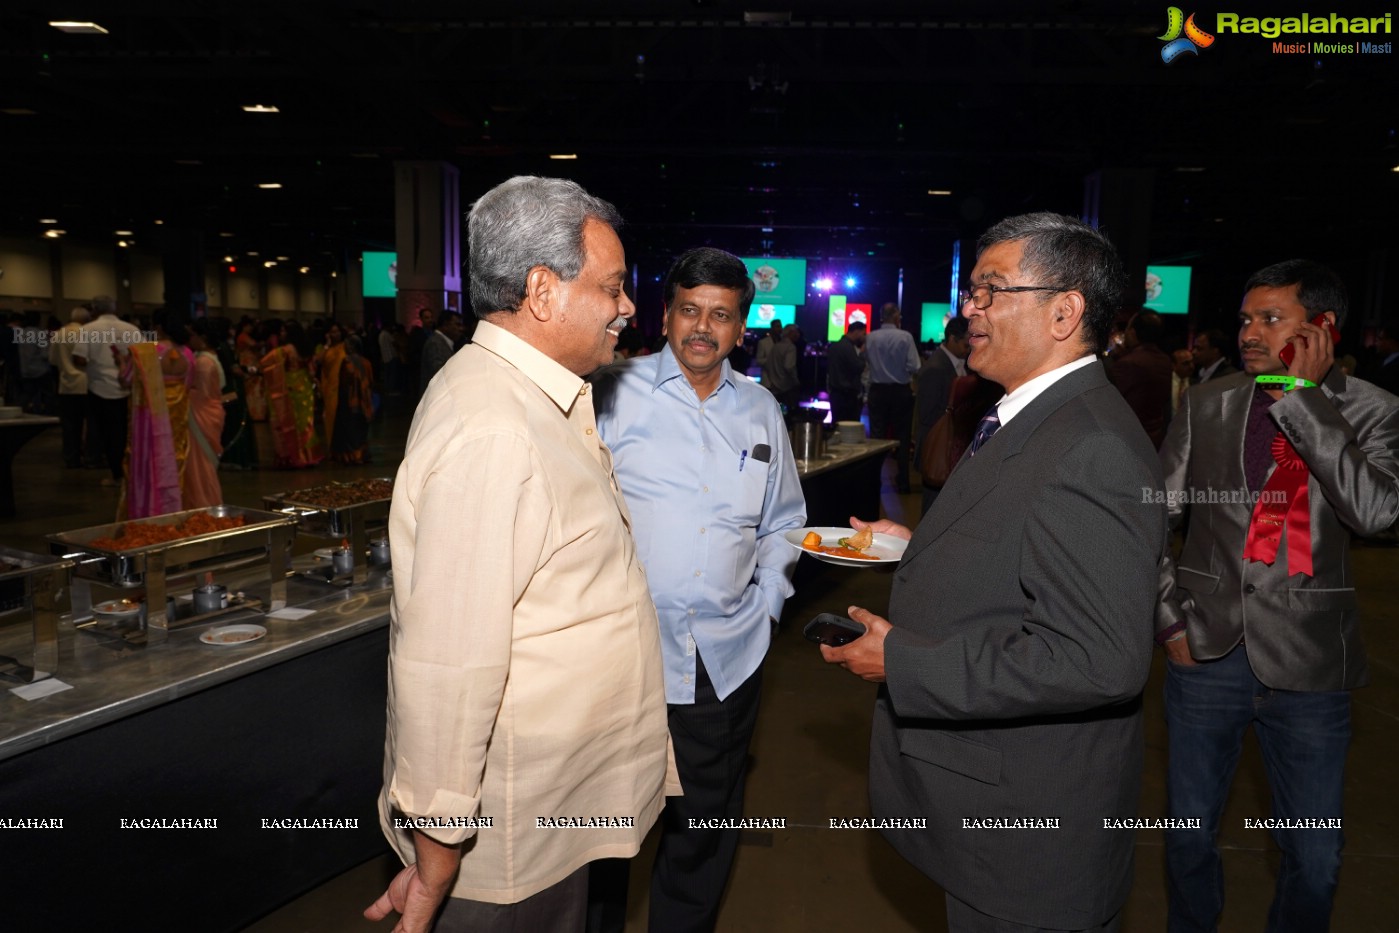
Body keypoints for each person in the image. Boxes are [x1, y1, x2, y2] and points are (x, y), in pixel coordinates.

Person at [820, 212, 1167, 933]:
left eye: (988, 291)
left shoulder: (1089, 445)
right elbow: (1027, 543)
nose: (966, 309)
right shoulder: (1035, 417)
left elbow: (1096, 658)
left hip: (1027, 833)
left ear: (1064, 311)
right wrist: (919, 547)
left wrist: (903, 662)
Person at [367, 176, 676, 933]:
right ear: (543, 291)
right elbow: (449, 662)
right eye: (610, 287)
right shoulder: (495, 428)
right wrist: (438, 843)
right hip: (509, 833)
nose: (627, 306)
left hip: (557, 807)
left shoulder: (535, 398)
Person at [1156, 259, 1399, 932]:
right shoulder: (1206, 402)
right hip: (1203, 653)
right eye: (1244, 319)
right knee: (1185, 839)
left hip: (1311, 667)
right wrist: (1168, 620)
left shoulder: (1375, 411)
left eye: (1270, 318)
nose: (1249, 333)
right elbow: (1155, 516)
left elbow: (1374, 512)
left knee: (1315, 857)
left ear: (1320, 328)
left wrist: (1303, 399)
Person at [594, 247, 806, 933]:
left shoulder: (761, 409)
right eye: (689, 309)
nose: (701, 328)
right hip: (620, 658)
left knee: (702, 830)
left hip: (724, 659)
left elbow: (784, 520)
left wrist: (767, 600)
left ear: (740, 327)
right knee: (603, 831)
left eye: (719, 315)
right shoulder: (610, 391)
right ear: (666, 314)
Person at [120, 314, 194, 519]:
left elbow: (125, 380)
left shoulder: (145, 352)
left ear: (158, 327)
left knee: (149, 461)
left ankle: (149, 509)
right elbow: (188, 385)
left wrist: (120, 362)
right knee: (174, 461)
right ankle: (173, 509)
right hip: (176, 419)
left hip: (150, 419)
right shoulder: (188, 353)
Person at [74, 296, 142, 488]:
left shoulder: (88, 330)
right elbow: (144, 355)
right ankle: (133, 472)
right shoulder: (131, 329)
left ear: (94, 310)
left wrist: (95, 365)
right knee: (127, 432)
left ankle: (117, 474)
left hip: (99, 388)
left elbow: (79, 359)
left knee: (107, 433)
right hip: (128, 389)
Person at [914, 316, 969, 513]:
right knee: (931, 510)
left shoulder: (959, 362)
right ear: (952, 339)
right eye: (965, 343)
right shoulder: (936, 368)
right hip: (937, 450)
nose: (968, 348)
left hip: (950, 448)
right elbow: (927, 415)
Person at [864, 302, 920, 493]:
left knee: (877, 438)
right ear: (896, 317)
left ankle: (873, 481)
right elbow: (915, 366)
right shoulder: (905, 337)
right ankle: (903, 482)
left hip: (877, 391)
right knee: (903, 438)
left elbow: (867, 364)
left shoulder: (870, 337)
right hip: (900, 392)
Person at [260, 321, 323, 468]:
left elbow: (264, 363)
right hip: (305, 388)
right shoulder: (306, 348)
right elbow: (312, 370)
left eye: (283, 331)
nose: (281, 334)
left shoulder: (284, 351)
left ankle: (291, 456)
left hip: (289, 388)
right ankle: (308, 455)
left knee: (286, 422)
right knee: (305, 424)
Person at [1106, 310, 1172, 447]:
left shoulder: (1128, 363)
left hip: (1129, 439)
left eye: (1128, 328)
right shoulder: (1165, 360)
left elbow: (1108, 401)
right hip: (1155, 437)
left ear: (1133, 333)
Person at [184, 319, 225, 508]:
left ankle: (203, 503)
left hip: (200, 413)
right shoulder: (208, 358)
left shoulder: (203, 362)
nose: (189, 338)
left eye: (192, 334)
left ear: (202, 338)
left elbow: (202, 393)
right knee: (202, 464)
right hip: (208, 412)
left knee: (200, 465)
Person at [51, 306, 91, 468]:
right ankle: (88, 455)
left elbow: (53, 360)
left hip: (66, 385)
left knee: (69, 425)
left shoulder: (58, 334)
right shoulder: (87, 333)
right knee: (88, 424)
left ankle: (70, 458)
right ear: (86, 320)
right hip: (85, 383)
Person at [330, 335, 375, 464]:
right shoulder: (366, 362)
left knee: (350, 429)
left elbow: (344, 383)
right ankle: (361, 454)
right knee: (361, 429)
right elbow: (371, 381)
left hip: (350, 401)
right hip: (365, 401)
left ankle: (353, 456)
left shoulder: (347, 362)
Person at [827, 320, 867, 423]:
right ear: (857, 331)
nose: (864, 337)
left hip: (835, 393)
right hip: (847, 396)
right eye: (863, 333)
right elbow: (858, 367)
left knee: (837, 424)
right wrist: (862, 355)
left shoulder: (835, 345)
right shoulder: (848, 347)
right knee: (850, 426)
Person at [761, 322, 800, 416]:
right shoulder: (791, 347)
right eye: (796, 332)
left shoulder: (776, 346)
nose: (798, 335)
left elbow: (769, 364)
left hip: (774, 385)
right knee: (788, 415)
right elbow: (789, 366)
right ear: (791, 333)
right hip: (786, 387)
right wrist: (796, 381)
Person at [419, 311, 463, 393]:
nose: (461, 329)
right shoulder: (435, 343)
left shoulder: (440, 341)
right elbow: (438, 374)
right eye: (457, 325)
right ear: (446, 325)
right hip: (435, 398)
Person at [1170, 347, 1193, 419]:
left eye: (1192, 362)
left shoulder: (1196, 383)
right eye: (1186, 363)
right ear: (1174, 365)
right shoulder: (1166, 382)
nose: (1191, 366)